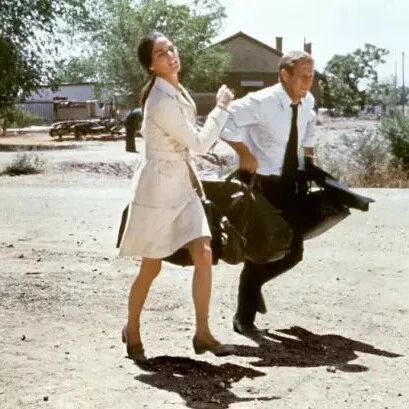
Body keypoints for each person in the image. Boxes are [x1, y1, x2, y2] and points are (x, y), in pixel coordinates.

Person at [118, 31, 234, 362]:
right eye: (161, 54)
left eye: (171, 48)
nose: (170, 55)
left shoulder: (176, 91)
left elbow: (190, 142)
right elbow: (199, 142)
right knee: (151, 267)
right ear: (151, 66)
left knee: (204, 253)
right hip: (158, 190)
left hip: (183, 185)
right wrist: (221, 107)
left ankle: (202, 333)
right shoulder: (160, 100)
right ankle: (132, 329)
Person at [221, 50, 316, 335]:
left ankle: (254, 286)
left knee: (294, 252)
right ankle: (244, 319)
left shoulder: (308, 101)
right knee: (261, 249)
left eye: (311, 76)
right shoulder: (262, 101)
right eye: (302, 76)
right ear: (284, 75)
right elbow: (223, 120)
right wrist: (244, 152)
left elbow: (309, 127)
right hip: (260, 182)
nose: (308, 82)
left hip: (289, 182)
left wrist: (309, 161)